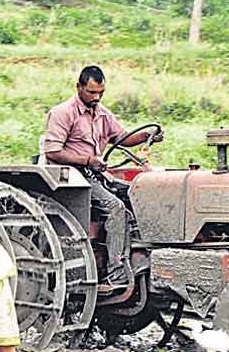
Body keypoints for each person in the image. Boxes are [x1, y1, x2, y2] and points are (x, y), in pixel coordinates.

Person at [42, 65, 163, 287]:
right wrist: (88, 160)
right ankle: (116, 272)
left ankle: (141, 256)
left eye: (101, 93)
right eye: (91, 92)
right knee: (115, 207)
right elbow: (53, 151)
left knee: (137, 194)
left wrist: (147, 135)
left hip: (95, 174)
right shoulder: (63, 113)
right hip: (72, 177)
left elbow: (122, 138)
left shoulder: (103, 114)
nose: (96, 97)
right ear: (79, 87)